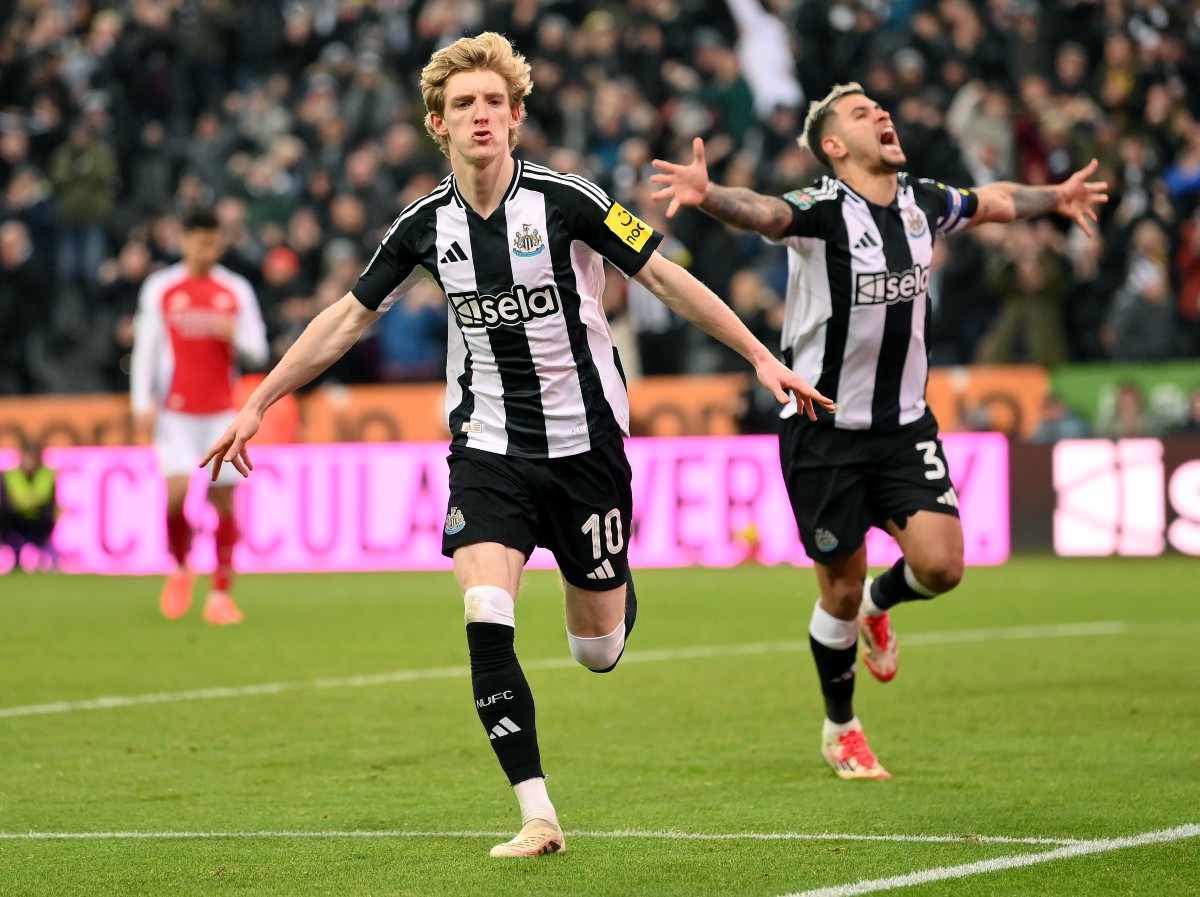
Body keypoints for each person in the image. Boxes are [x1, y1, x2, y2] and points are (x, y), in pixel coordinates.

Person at [200, 32, 832, 857]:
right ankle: (538, 811)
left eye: (494, 101)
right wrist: (261, 398)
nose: (481, 115)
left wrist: (757, 352)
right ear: (439, 124)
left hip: (586, 448)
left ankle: (609, 584)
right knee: (484, 610)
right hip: (487, 449)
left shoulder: (566, 200)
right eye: (464, 104)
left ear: (517, 114)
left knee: (596, 648)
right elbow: (348, 319)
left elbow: (664, 278)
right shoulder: (424, 226)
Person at [650, 81, 1107, 780]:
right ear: (834, 146)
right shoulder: (824, 211)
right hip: (822, 429)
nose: (883, 116)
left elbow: (997, 202)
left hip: (902, 426)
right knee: (834, 588)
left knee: (943, 565)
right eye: (863, 115)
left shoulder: (923, 201)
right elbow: (767, 213)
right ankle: (842, 729)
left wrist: (1058, 196)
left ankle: (878, 605)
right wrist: (711, 196)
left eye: (881, 109)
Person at [130, 207, 269, 625]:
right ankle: (179, 565)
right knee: (174, 495)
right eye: (199, 240)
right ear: (184, 240)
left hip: (221, 413)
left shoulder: (236, 290)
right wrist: (141, 405)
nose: (206, 248)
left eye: (213, 241)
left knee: (224, 500)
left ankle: (221, 593)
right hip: (175, 412)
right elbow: (146, 351)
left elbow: (259, 350)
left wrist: (234, 335)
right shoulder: (161, 288)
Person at [0, 438, 59, 572]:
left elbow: (47, 503)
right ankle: (11, 553)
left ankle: (45, 556)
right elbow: (6, 503)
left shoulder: (46, 475)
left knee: (47, 519)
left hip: (38, 521)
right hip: (14, 520)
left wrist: (23, 503)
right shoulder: (11, 475)